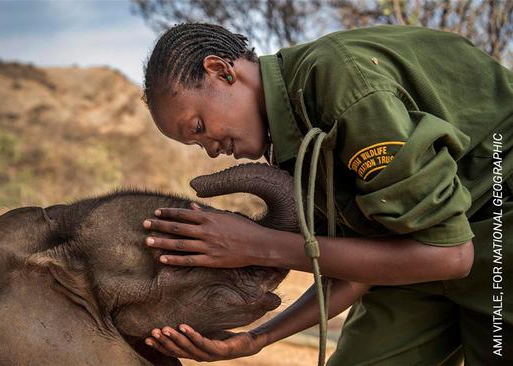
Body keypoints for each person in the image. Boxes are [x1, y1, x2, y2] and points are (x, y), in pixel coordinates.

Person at [140, 23, 512, 365]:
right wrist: (257, 339)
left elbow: (450, 255)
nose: (210, 149)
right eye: (195, 143)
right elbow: (356, 266)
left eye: (200, 127)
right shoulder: (291, 143)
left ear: (221, 71)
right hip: (421, 251)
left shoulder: (338, 82)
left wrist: (257, 245)